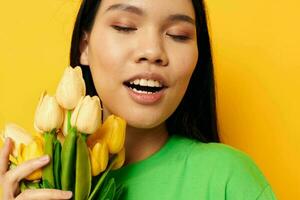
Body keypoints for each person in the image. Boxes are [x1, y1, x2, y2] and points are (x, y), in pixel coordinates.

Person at [0, 0, 277, 199]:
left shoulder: (226, 177)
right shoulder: (34, 180)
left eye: (178, 35)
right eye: (124, 27)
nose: (152, 51)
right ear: (85, 46)